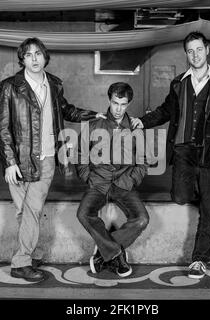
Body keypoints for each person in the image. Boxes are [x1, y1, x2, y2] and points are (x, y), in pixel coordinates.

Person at [131, 31, 210, 279]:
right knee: (180, 196)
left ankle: (199, 259)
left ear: (207, 50)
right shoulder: (178, 83)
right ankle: (201, 194)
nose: (195, 54)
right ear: (187, 54)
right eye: (190, 51)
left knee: (209, 209)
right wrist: (142, 121)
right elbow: (165, 111)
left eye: (199, 49)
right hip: (182, 151)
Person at [0, 37, 105, 282]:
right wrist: (9, 161)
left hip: (46, 159)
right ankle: (34, 253)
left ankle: (21, 263)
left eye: (38, 54)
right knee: (25, 211)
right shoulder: (9, 86)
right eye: (29, 54)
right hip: (18, 161)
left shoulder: (54, 84)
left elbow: (65, 109)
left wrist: (91, 114)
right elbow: (1, 128)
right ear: (22, 58)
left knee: (31, 210)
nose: (34, 59)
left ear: (45, 57)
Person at [76, 82, 149, 277]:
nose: (118, 109)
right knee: (83, 214)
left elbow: (143, 163)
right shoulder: (93, 124)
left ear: (128, 104)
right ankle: (116, 254)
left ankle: (103, 251)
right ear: (109, 100)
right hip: (98, 183)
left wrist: (131, 181)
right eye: (115, 103)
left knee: (142, 219)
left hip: (124, 183)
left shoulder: (135, 128)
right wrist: (88, 178)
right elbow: (81, 156)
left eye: (123, 104)